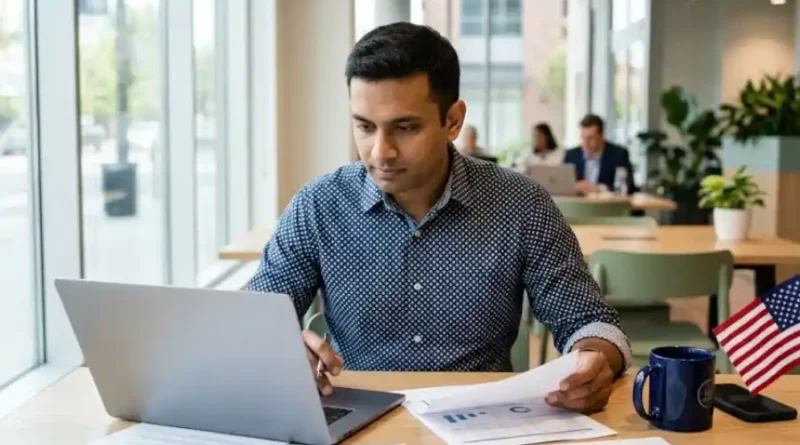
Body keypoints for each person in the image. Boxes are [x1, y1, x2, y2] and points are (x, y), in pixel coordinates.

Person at [244, 22, 631, 414]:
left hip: (485, 423)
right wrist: (279, 346)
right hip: (357, 422)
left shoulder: (521, 203)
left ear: (453, 121)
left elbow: (590, 321)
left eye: (405, 127)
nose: (381, 152)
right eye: (364, 126)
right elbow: (252, 319)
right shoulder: (318, 206)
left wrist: (595, 358)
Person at [563, 114, 636, 195]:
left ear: (602, 136)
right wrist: (575, 186)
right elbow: (562, 184)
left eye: (590, 138)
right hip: (577, 205)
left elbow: (628, 186)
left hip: (607, 205)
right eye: (583, 137)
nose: (585, 143)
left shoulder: (619, 154)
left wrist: (599, 188)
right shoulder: (571, 155)